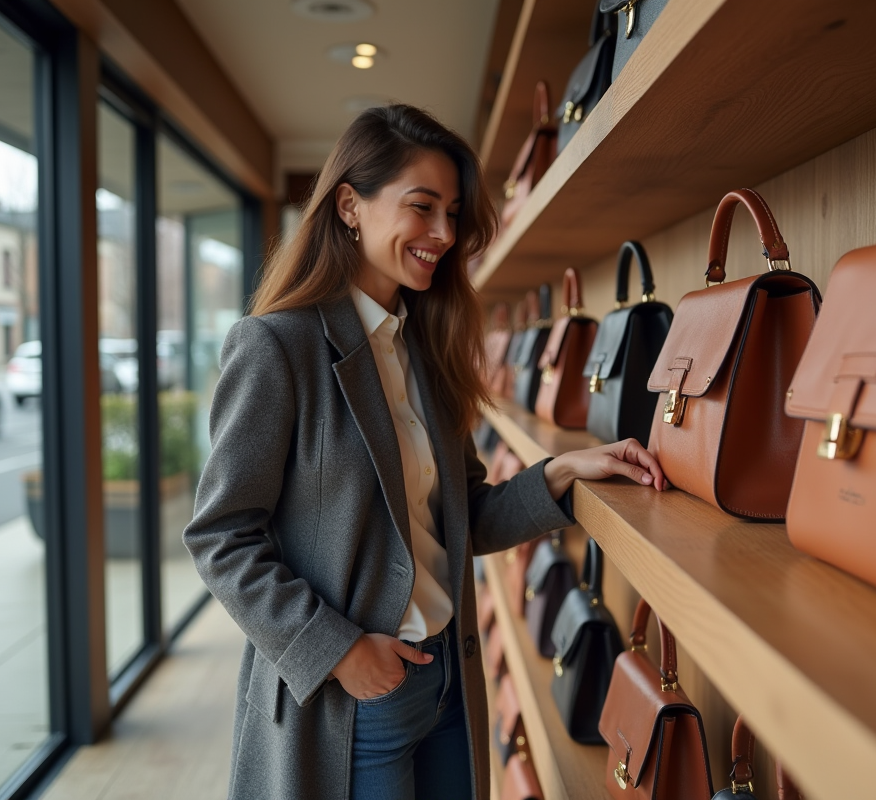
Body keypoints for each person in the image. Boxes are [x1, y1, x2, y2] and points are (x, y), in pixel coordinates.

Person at [183, 104, 665, 800]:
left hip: (447, 682)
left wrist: (560, 473)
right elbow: (221, 536)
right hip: (353, 700)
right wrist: (339, 650)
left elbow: (465, 517)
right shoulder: (277, 347)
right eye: (422, 207)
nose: (443, 234)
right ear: (349, 205)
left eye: (454, 212)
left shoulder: (423, 349)